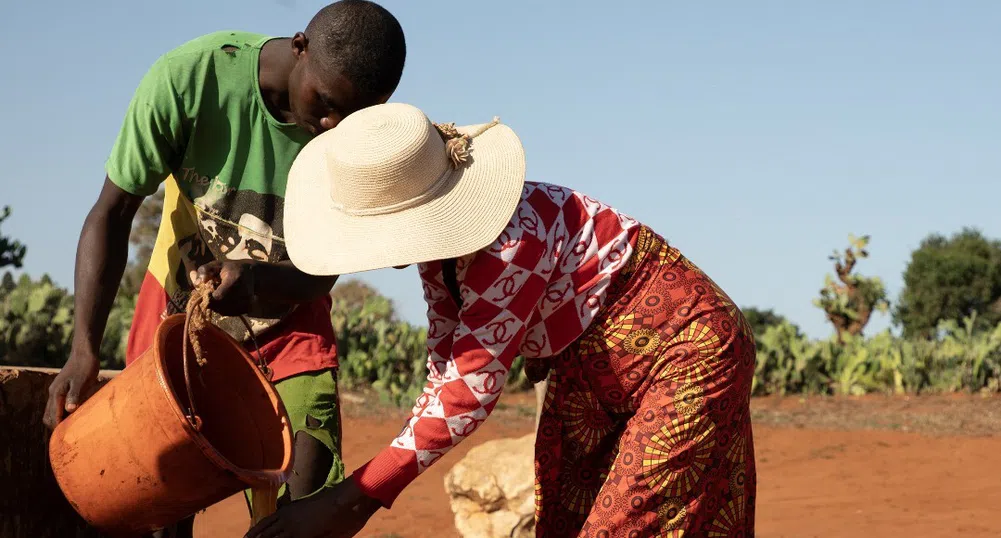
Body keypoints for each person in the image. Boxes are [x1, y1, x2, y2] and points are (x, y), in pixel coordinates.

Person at [243, 102, 757, 537]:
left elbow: (469, 391)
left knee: (624, 522)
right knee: (570, 516)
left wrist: (352, 498)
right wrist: (358, 494)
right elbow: (445, 369)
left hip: (687, 354)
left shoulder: (507, 243)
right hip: (592, 369)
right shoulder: (442, 252)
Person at [42, 2, 406, 536]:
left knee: (306, 505)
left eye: (351, 115)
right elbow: (112, 212)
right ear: (300, 46)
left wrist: (257, 283)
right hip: (182, 314)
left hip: (292, 316)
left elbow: (323, 273)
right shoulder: (193, 80)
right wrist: (83, 349)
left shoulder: (354, 138)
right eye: (325, 104)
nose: (332, 126)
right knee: (159, 493)